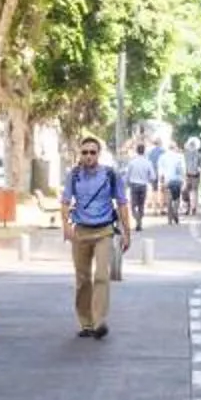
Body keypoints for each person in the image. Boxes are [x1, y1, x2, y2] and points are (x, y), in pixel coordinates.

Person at [61, 134, 128, 339]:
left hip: (104, 231)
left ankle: (99, 321)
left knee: (101, 275)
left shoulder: (110, 175)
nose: (88, 156)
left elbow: (122, 203)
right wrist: (66, 225)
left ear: (98, 154)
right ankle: (86, 323)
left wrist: (127, 232)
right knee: (82, 279)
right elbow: (65, 202)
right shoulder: (74, 176)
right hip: (81, 231)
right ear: (80, 154)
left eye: (92, 152)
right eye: (85, 152)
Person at [122, 140, 155, 229]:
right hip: (143, 185)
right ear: (144, 151)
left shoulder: (132, 162)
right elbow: (153, 176)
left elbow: (127, 175)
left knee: (133, 205)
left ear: (136, 151)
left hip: (134, 185)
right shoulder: (148, 162)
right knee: (141, 205)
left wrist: (126, 184)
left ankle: (137, 219)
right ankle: (139, 220)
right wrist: (148, 180)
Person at [157, 142, 188, 224]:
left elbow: (160, 171)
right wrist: (184, 180)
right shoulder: (180, 156)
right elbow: (183, 169)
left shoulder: (162, 157)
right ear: (175, 148)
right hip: (178, 180)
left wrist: (161, 181)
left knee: (169, 198)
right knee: (177, 198)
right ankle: (175, 210)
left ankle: (169, 218)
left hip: (167, 180)